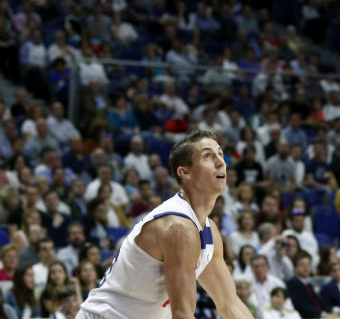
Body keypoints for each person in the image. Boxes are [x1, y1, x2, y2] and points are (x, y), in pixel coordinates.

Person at [77, 130, 256, 319]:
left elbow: (229, 304)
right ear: (185, 172)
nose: (221, 162)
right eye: (208, 156)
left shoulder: (208, 230)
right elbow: (182, 315)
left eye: (220, 153)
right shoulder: (178, 228)